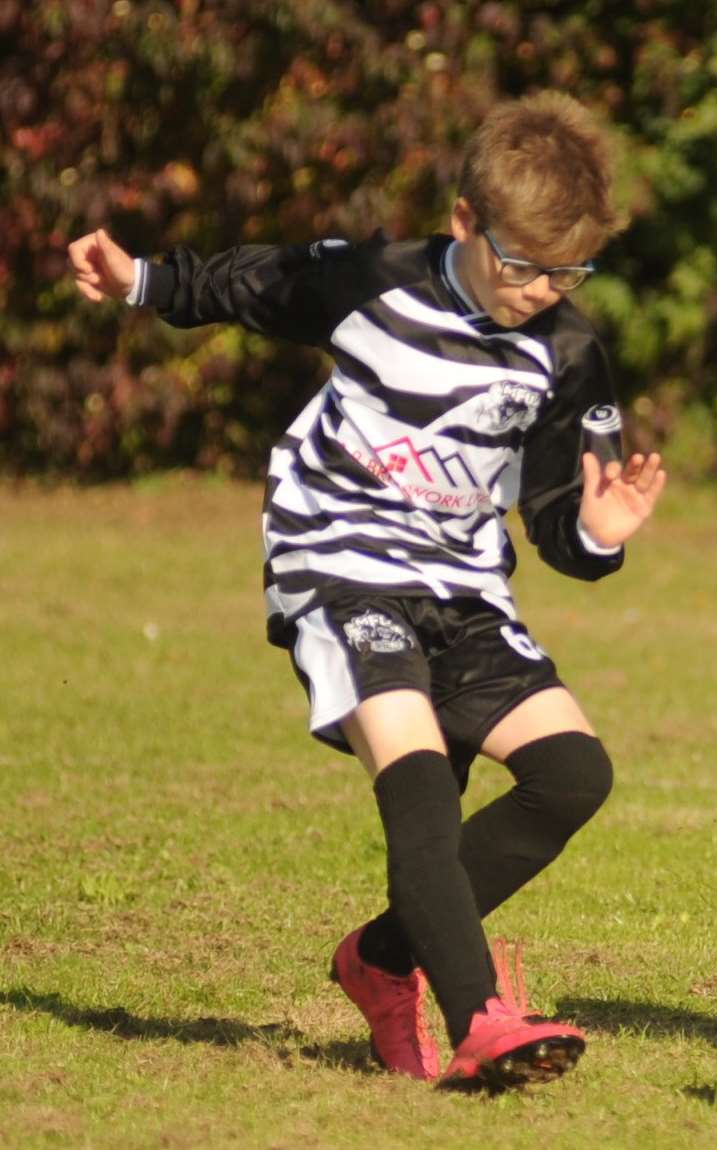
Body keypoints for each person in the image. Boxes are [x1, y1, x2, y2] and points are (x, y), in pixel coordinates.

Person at [67, 92, 666, 1090]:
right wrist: (142, 281)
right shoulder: (375, 279)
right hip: (337, 558)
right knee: (419, 768)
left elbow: (564, 515)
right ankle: (479, 1017)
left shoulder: (568, 350)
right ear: (465, 220)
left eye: (568, 270)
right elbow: (256, 285)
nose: (540, 289)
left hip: (464, 587)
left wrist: (598, 536)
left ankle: (381, 959)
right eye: (521, 263)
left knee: (572, 775)